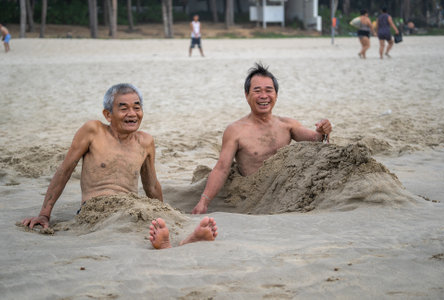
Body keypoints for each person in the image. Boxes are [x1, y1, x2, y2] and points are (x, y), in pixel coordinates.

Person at [21, 83, 218, 249]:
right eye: (123, 108)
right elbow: (65, 170)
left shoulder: (145, 141)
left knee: (156, 219)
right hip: (96, 209)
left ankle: (187, 238)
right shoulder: (93, 131)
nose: (132, 114)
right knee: (128, 226)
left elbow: (151, 186)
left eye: (137, 107)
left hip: (132, 204)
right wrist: (44, 214)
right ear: (108, 114)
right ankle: (169, 242)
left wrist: (162, 211)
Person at [191, 63, 333, 214]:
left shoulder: (287, 125)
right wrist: (203, 202)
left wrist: (323, 130)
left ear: (276, 95)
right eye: (257, 91)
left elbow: (316, 141)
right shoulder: (235, 130)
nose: (263, 96)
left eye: (269, 90)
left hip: (285, 195)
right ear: (247, 95)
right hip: (253, 199)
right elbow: (222, 168)